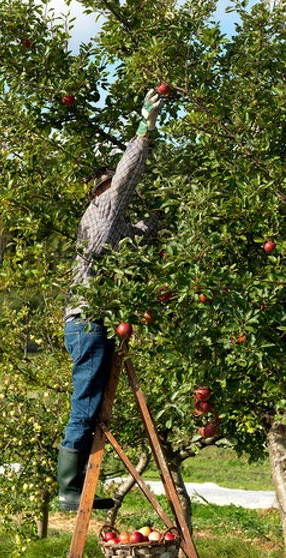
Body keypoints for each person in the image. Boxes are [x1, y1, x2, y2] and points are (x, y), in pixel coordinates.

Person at [58, 89, 163, 510]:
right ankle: (68, 491)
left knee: (91, 402)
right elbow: (125, 179)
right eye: (112, 188)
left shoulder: (108, 230)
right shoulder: (102, 210)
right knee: (84, 403)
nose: (120, 194)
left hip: (87, 323)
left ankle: (77, 485)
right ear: (102, 190)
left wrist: (163, 206)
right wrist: (144, 129)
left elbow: (139, 234)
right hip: (87, 322)